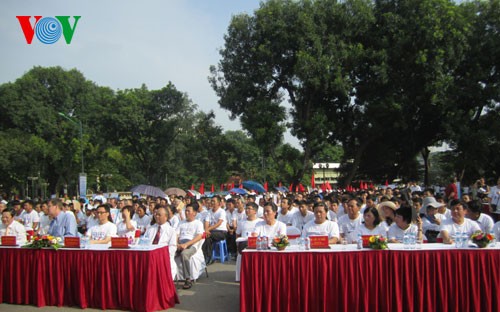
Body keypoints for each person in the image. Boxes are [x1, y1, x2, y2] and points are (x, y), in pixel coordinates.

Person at [175, 203, 204, 290]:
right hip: (181, 243)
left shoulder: (198, 223)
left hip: (192, 244)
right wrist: (177, 244)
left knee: (184, 254)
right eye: (186, 211)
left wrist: (187, 244)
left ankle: (188, 279)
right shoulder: (181, 223)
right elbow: (176, 235)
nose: (186, 213)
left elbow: (199, 236)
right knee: (168, 253)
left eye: (188, 211)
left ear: (194, 213)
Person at [144, 206, 177, 279]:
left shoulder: (171, 231)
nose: (156, 216)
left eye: (159, 215)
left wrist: (160, 255)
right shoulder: (150, 229)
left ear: (165, 217)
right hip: (149, 258)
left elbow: (173, 247)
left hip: (163, 259)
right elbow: (144, 242)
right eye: (156, 214)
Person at [202, 196, 227, 265]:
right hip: (211, 232)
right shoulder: (209, 212)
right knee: (206, 238)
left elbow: (219, 223)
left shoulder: (222, 211)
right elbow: (206, 222)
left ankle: (208, 257)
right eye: (211, 201)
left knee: (207, 236)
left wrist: (207, 230)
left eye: (214, 201)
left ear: (219, 203)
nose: (212, 202)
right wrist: (206, 230)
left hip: (221, 232)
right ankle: (206, 257)